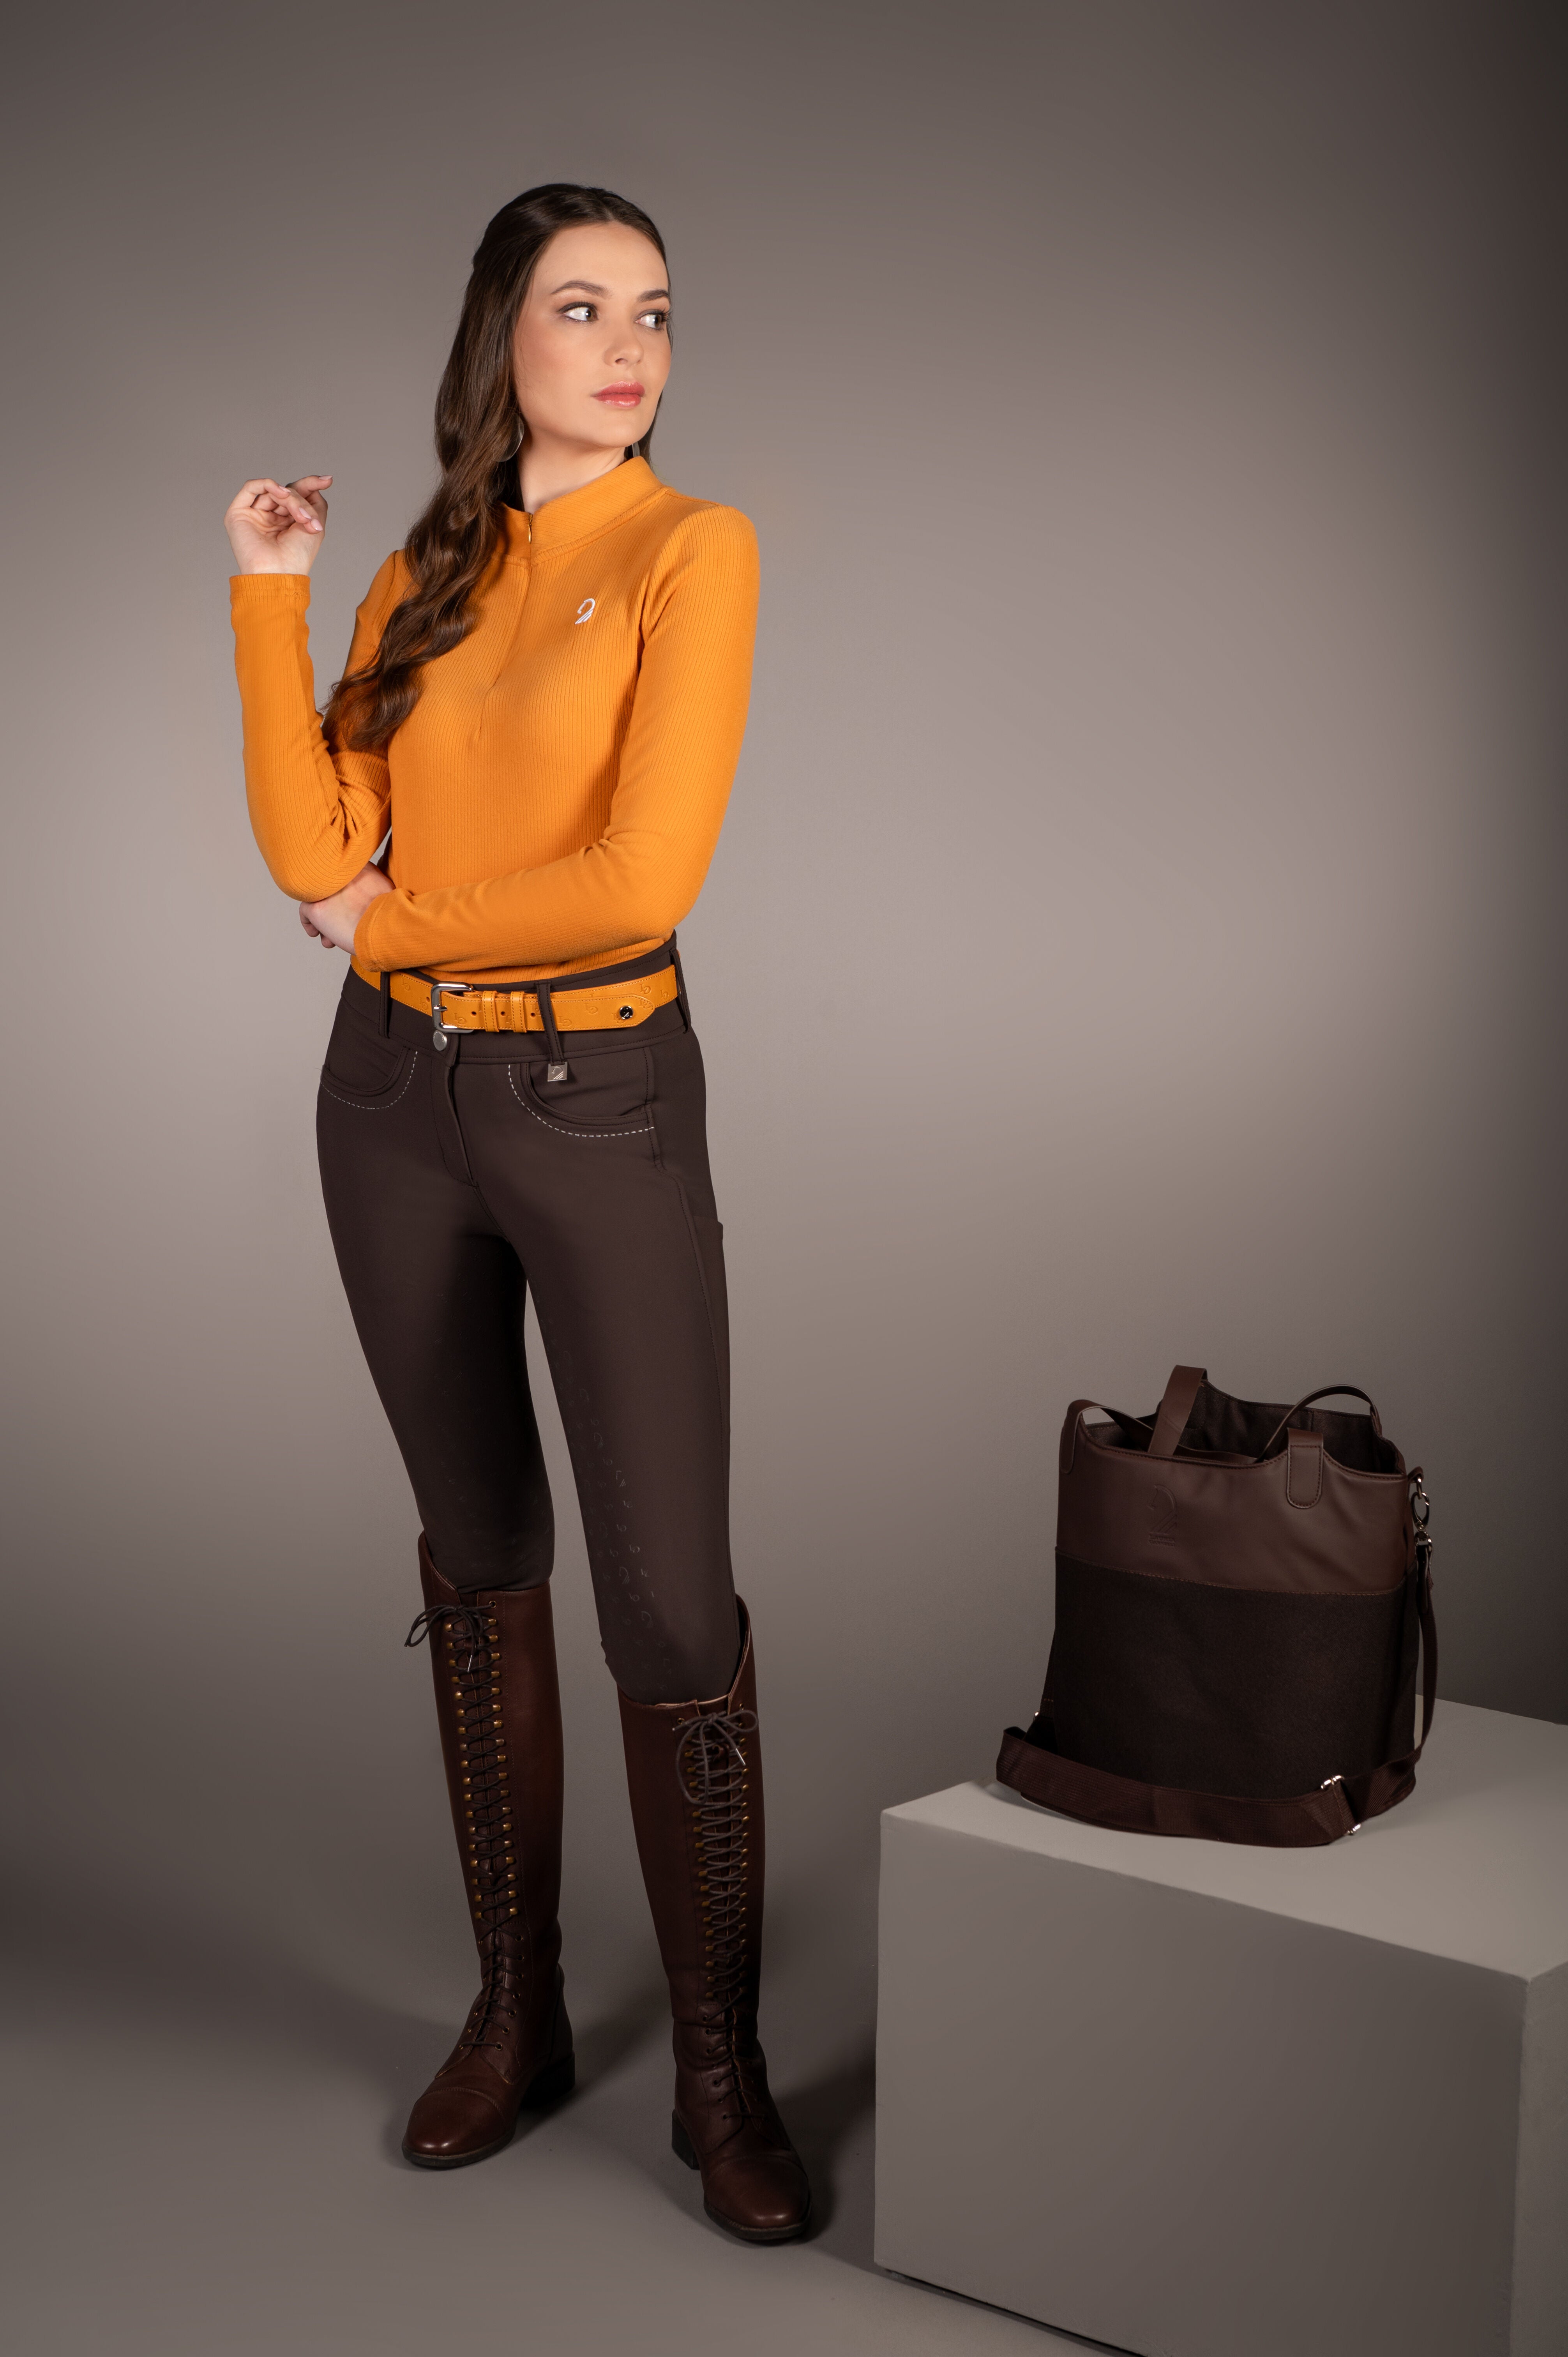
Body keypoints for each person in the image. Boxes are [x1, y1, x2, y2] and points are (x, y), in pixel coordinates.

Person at [223, 182, 809, 2244]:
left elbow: (641, 882)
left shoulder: (691, 550)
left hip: (597, 1096)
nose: (629, 345)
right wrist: (271, 598)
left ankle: (722, 2081)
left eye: (655, 311)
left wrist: (395, 931)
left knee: (670, 1606)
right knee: (478, 1563)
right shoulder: (421, 573)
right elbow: (309, 844)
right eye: (582, 308)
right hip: (391, 1108)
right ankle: (518, 2013)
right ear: (504, 336)